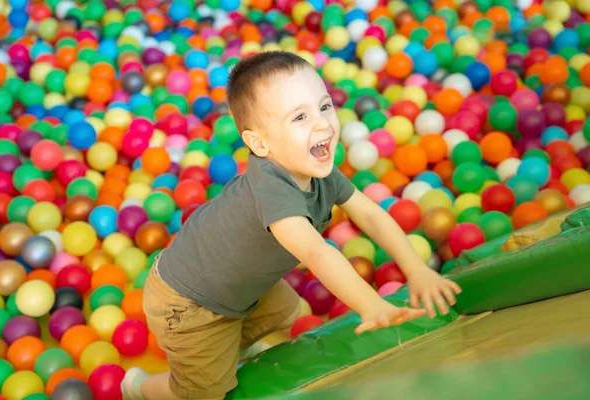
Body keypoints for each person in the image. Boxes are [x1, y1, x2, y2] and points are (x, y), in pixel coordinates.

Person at [121, 51, 462, 400]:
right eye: (300, 117)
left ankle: (223, 353)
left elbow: (371, 214)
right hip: (188, 301)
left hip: (234, 286)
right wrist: (370, 304)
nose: (322, 125)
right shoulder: (272, 190)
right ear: (259, 143)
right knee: (202, 393)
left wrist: (416, 270)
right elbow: (316, 252)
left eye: (325, 107)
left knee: (284, 309)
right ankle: (140, 387)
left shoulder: (316, 169)